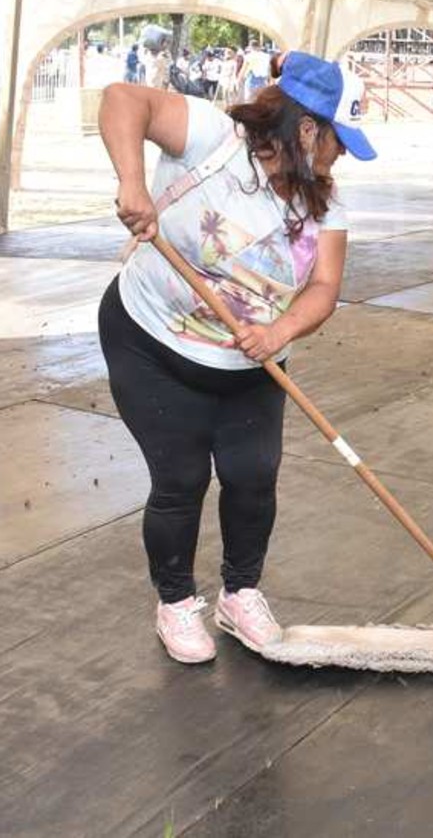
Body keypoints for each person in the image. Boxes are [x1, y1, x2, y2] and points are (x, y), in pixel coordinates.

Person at [97, 51, 377, 664]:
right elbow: (123, 99)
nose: (341, 157)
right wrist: (132, 183)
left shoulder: (325, 201)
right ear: (308, 130)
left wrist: (280, 332)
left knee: (253, 476)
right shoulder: (214, 138)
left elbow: (325, 287)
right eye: (339, 142)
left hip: (252, 361)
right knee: (182, 479)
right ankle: (175, 601)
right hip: (152, 340)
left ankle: (240, 595)